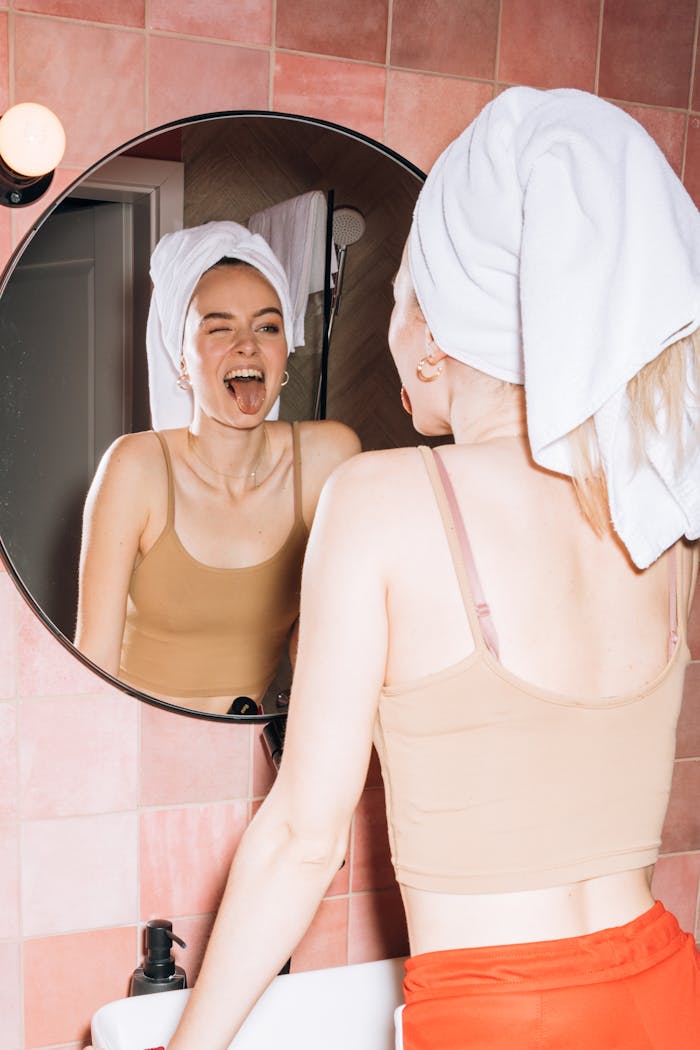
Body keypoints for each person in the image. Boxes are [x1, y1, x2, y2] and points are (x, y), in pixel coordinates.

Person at [161, 88, 699, 1049]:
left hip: (501, 1017)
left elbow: (302, 840)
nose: (392, 325)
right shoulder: (660, 510)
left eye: (403, 295)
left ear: (443, 331)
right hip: (669, 987)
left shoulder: (382, 499)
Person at [75, 221, 360, 715]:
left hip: (249, 740)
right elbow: (91, 666)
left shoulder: (328, 458)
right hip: (133, 742)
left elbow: (329, 641)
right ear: (182, 359)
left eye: (267, 327)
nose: (247, 344)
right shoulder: (135, 468)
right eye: (219, 328)